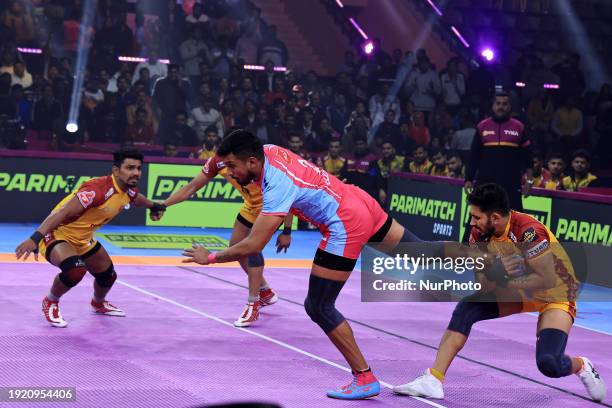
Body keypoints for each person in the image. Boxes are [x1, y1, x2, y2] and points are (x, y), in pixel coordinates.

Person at [180, 130, 430, 399]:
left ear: (252, 162)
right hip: (360, 200)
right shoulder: (271, 149)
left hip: (344, 223)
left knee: (319, 305)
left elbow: (253, 245)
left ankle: (364, 377)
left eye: (232, 166)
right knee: (420, 254)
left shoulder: (276, 186)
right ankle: (479, 266)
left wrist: (212, 257)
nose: (229, 172)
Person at [394, 183, 606, 403]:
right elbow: (484, 287)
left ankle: (581, 365)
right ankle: (433, 379)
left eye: (476, 217)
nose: (472, 222)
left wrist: (505, 277)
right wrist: (493, 271)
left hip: (556, 293)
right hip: (521, 289)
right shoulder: (479, 234)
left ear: (494, 217)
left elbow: (545, 279)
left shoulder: (528, 231)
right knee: (468, 307)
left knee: (549, 363)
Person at [14, 149, 163, 328]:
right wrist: (35, 238)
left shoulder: (127, 191)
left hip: (83, 240)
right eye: (130, 168)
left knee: (108, 276)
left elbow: (136, 198)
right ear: (116, 170)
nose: (136, 173)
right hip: (57, 234)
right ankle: (51, 301)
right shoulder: (97, 190)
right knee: (75, 270)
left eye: (139, 168)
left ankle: (98, 303)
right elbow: (63, 212)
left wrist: (154, 205)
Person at [158, 150, 293, 327]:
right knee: (236, 247)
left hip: (270, 207)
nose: (228, 169)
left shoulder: (261, 164)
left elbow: (288, 195)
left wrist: (287, 231)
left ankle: (253, 304)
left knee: (251, 248)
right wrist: (161, 205)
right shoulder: (216, 162)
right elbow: (191, 187)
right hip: (251, 205)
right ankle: (265, 291)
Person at [465, 92, 531, 212]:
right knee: (478, 219)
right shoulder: (482, 126)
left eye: (505, 104)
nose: (501, 107)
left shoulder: (519, 127)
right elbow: (474, 156)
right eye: (498, 103)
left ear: (510, 107)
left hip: (511, 182)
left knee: (513, 220)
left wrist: (529, 181)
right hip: (485, 182)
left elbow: (528, 157)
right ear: (493, 106)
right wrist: (468, 179)